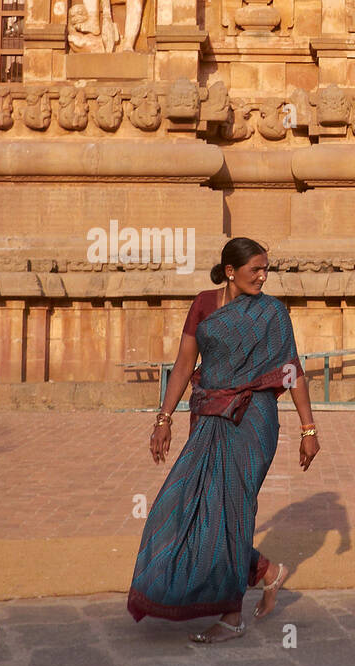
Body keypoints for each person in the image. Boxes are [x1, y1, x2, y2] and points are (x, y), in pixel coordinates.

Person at [127, 238, 321, 642]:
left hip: (254, 420)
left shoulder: (272, 312)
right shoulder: (203, 304)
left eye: (267, 269)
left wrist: (308, 428)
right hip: (209, 416)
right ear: (230, 271)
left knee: (232, 511)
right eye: (256, 270)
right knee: (181, 507)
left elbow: (291, 370)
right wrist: (163, 419)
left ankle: (231, 616)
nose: (263, 277)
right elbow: (183, 365)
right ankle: (268, 572)